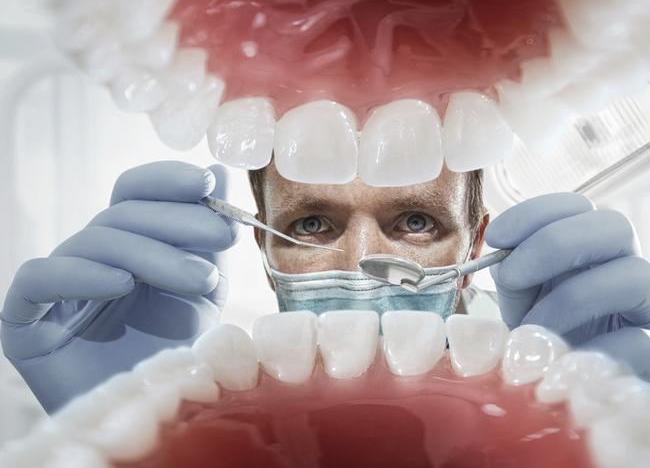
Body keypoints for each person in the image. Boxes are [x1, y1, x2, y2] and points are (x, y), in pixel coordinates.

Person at [1, 160, 649, 413]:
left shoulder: (554, 397)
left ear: (473, 247)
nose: (363, 260)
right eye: (312, 222)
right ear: (262, 244)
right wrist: (123, 436)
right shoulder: (198, 410)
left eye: (415, 220)